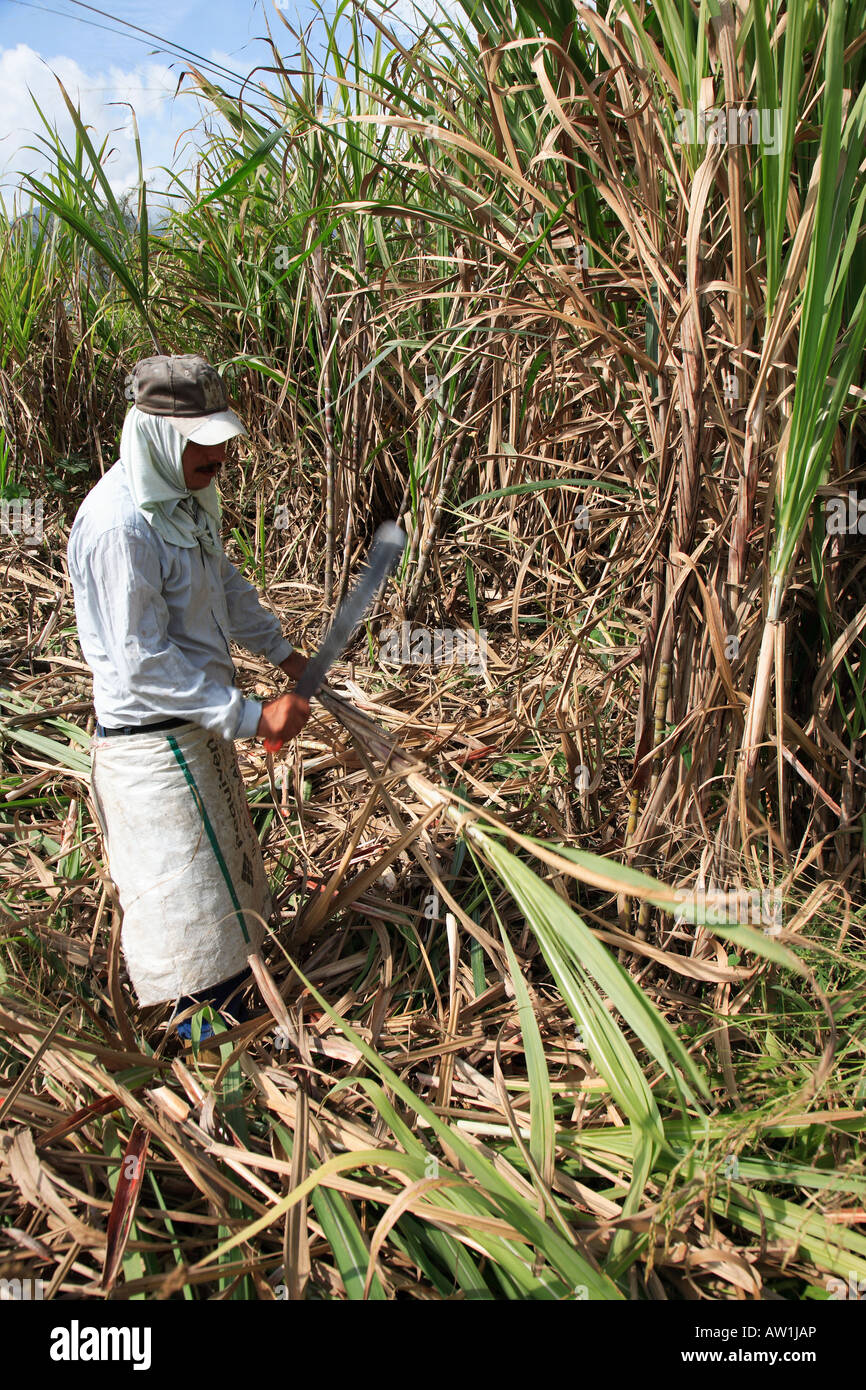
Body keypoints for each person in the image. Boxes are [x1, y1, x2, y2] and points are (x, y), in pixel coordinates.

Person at [68, 354, 311, 1037]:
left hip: (199, 732)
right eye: (200, 440)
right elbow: (141, 663)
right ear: (154, 437)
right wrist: (252, 714)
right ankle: (208, 1078)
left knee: (228, 904)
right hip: (152, 751)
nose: (221, 455)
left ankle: (245, 1034)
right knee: (188, 931)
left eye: (222, 436)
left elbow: (225, 588)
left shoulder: (184, 500)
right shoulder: (121, 527)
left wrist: (285, 654)